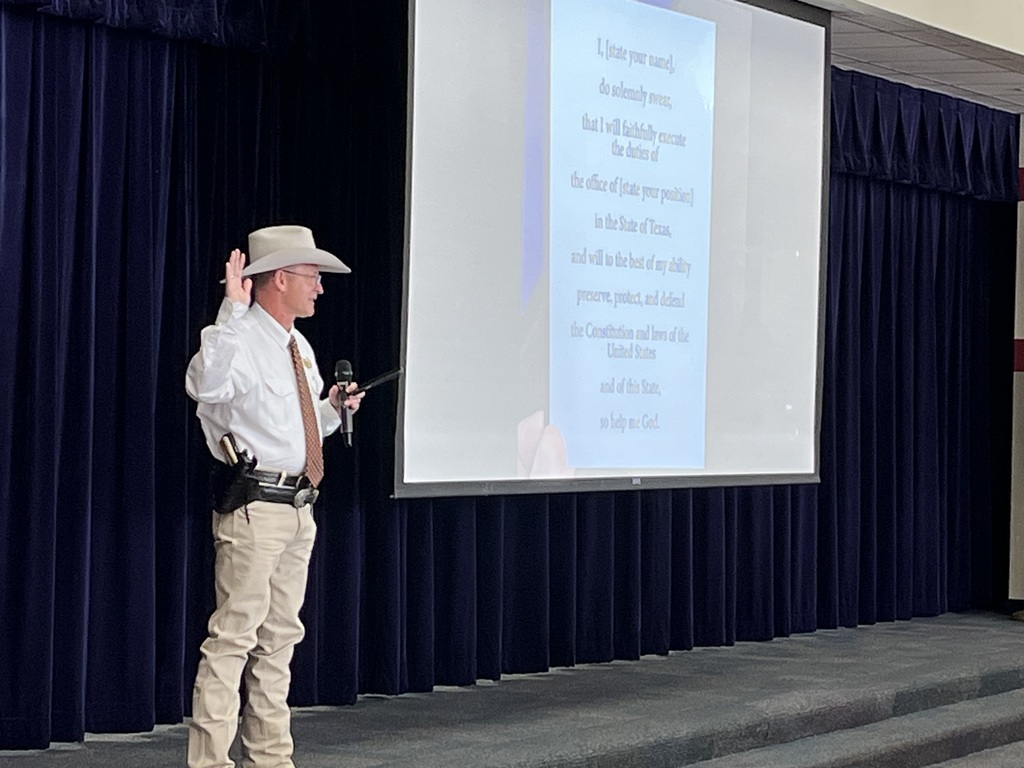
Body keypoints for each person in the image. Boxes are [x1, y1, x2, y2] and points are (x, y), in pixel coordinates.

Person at [184, 224, 364, 768]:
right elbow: (205, 386)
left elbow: (295, 429)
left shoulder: (297, 344)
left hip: (298, 506)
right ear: (279, 278)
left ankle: (270, 759)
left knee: (279, 642)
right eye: (312, 277)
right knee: (233, 639)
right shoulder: (237, 336)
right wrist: (229, 313)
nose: (320, 288)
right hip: (255, 507)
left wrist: (333, 407)